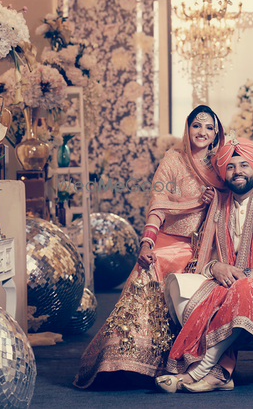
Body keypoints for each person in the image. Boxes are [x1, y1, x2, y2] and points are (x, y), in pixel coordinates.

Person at [74, 105, 226, 388]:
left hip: (204, 248)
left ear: (216, 133)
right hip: (169, 241)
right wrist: (147, 241)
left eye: (209, 127)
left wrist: (215, 196)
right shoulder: (173, 159)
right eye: (197, 125)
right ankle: (128, 360)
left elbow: (232, 203)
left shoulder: (219, 166)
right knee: (151, 263)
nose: (202, 132)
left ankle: (172, 361)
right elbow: (157, 204)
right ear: (187, 128)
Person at [155, 135, 253, 393]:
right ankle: (222, 375)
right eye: (230, 166)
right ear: (224, 172)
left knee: (246, 288)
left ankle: (197, 371)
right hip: (225, 284)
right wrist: (215, 267)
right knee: (178, 284)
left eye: (244, 165)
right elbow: (204, 257)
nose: (237, 171)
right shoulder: (217, 205)